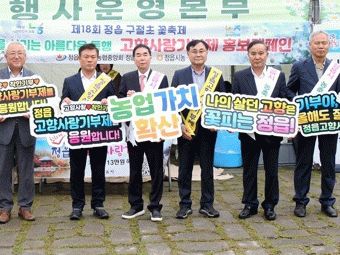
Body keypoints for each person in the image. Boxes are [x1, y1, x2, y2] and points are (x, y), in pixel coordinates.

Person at [287, 30, 340, 218]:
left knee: (328, 163)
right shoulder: (299, 66)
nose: (320, 46)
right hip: (306, 121)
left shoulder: (336, 68)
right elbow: (289, 91)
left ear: (329, 45)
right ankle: (300, 201)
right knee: (303, 162)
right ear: (310, 45)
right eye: (317, 43)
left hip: (329, 122)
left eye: (324, 43)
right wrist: (300, 106)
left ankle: (327, 202)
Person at [232, 40, 288, 221]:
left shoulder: (277, 76)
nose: (257, 57)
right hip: (248, 133)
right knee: (249, 170)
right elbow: (234, 103)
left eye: (261, 53)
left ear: (267, 55)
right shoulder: (239, 76)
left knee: (272, 171)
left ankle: (270, 205)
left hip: (271, 132)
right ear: (248, 55)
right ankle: (250, 204)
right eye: (253, 53)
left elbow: (285, 101)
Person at [171, 39, 225, 219]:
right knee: (184, 168)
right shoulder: (179, 75)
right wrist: (180, 125)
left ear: (207, 53)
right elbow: (172, 103)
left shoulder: (216, 75)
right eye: (194, 51)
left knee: (207, 168)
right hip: (186, 129)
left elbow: (222, 102)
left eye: (202, 51)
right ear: (188, 53)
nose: (198, 54)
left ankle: (207, 204)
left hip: (208, 130)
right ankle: (184, 205)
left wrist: (217, 122)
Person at [61, 43, 115, 220]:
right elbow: (62, 102)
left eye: (93, 57)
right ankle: (77, 206)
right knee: (77, 170)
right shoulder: (69, 81)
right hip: (77, 133)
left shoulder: (106, 80)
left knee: (99, 169)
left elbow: (114, 101)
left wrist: (109, 102)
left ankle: (98, 204)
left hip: (99, 132)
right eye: (86, 57)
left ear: (97, 59)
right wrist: (64, 103)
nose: (90, 60)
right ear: (79, 59)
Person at [118, 44, 168, 222]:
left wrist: (163, 130)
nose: (142, 58)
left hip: (154, 131)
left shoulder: (160, 78)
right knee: (135, 170)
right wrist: (127, 99)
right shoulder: (127, 78)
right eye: (138, 55)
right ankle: (136, 206)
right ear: (133, 59)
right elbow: (119, 102)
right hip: (134, 133)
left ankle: (155, 206)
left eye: (145, 54)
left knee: (156, 170)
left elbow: (165, 104)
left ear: (150, 57)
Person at [0, 42, 37, 223]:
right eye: (12, 53)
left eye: (20, 53)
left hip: (26, 129)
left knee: (26, 170)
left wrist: (33, 112)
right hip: (4, 130)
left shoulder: (34, 78)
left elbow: (41, 103)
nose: (16, 56)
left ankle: (25, 206)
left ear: (25, 56)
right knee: (3, 170)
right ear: (6, 56)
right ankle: (4, 207)